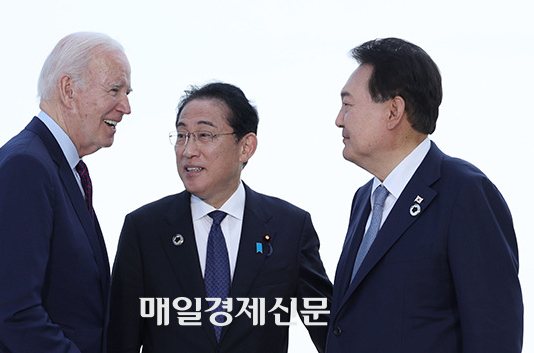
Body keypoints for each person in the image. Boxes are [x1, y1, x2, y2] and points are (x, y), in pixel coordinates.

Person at [326, 37, 523, 353]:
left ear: (394, 110)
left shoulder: (464, 192)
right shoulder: (365, 199)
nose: (338, 119)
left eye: (348, 105)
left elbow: (493, 333)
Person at [108, 82, 332, 353]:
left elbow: (329, 330)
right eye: (181, 135)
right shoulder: (144, 229)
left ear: (246, 147)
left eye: (204, 135)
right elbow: (120, 340)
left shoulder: (290, 228)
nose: (188, 150)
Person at [0, 32, 132, 353]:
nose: (126, 107)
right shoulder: (25, 167)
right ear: (68, 90)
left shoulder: (55, 167)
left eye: (126, 93)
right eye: (114, 90)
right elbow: (14, 311)